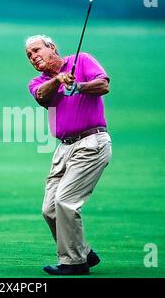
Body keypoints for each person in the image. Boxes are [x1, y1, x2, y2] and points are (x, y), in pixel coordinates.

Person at [25, 35, 112, 275]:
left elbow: (104, 85)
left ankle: (74, 264)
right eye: (29, 55)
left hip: (91, 142)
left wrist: (79, 86)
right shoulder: (37, 82)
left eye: (36, 50)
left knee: (65, 201)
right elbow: (42, 95)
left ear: (51, 47)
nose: (33, 57)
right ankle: (83, 251)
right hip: (63, 149)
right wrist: (59, 80)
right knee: (50, 209)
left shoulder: (81, 61)